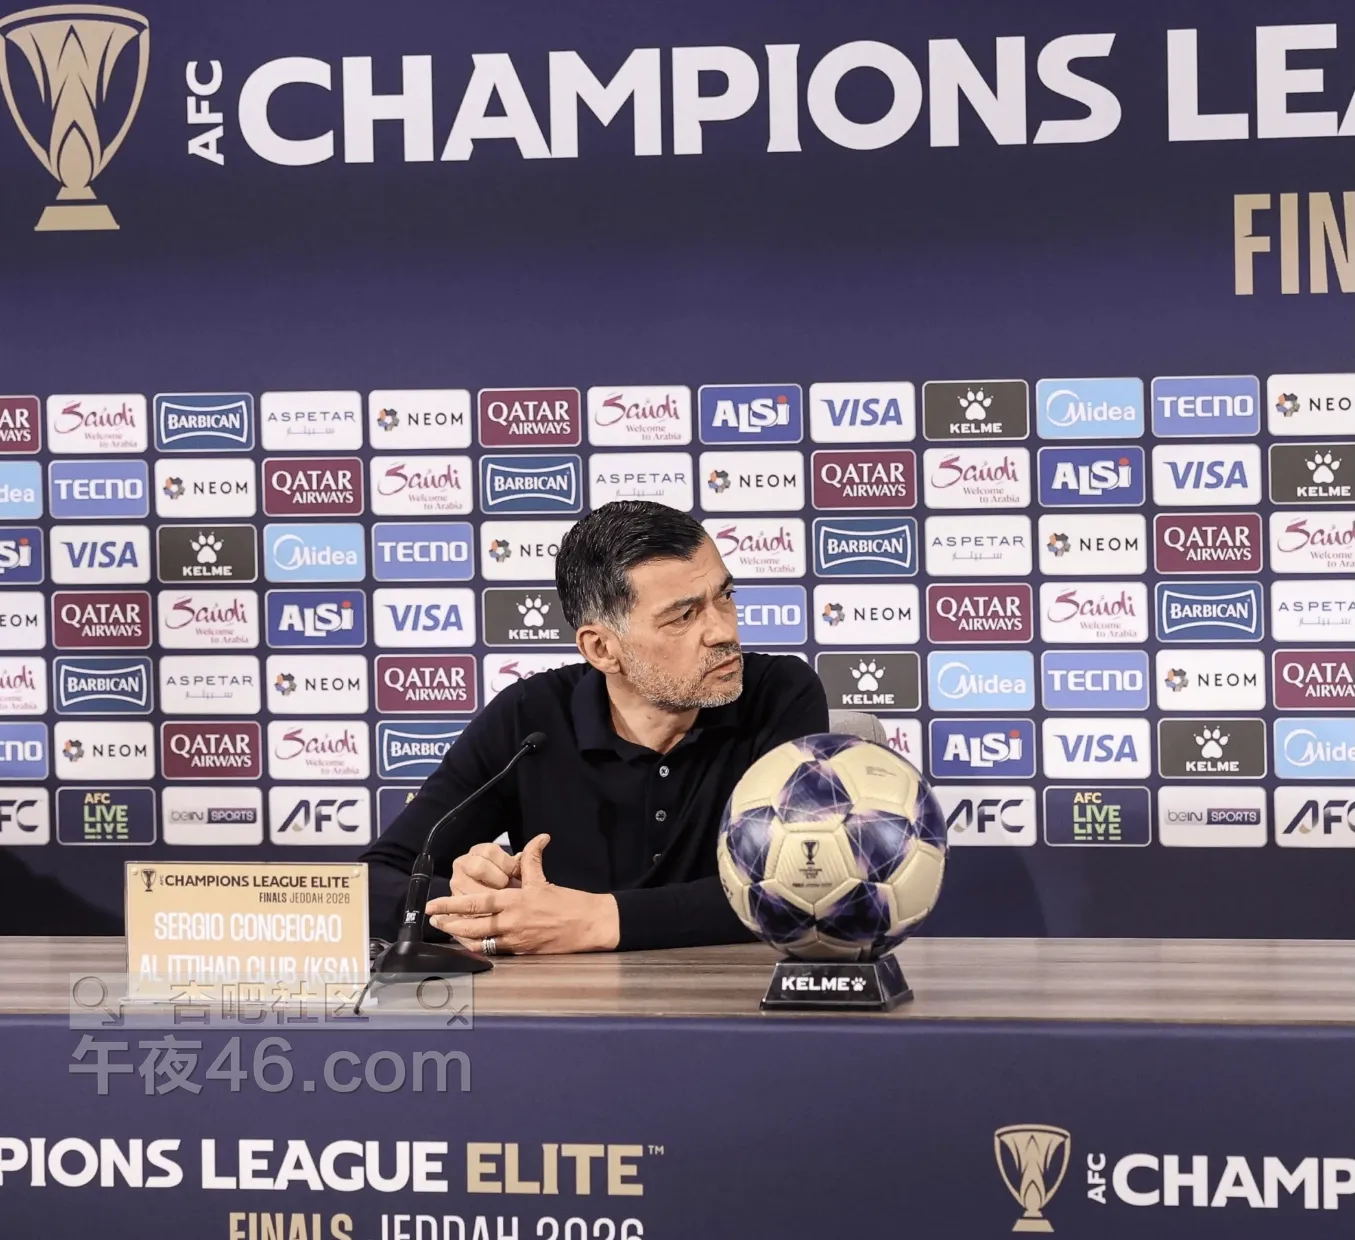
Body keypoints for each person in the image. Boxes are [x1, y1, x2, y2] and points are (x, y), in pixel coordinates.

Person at [361, 500, 829, 954]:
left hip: (732, 995)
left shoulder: (780, 694)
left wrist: (597, 920)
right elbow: (375, 882)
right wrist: (483, 905)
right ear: (602, 649)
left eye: (725, 597)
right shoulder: (529, 719)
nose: (724, 631)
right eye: (683, 616)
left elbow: (807, 885)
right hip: (569, 999)